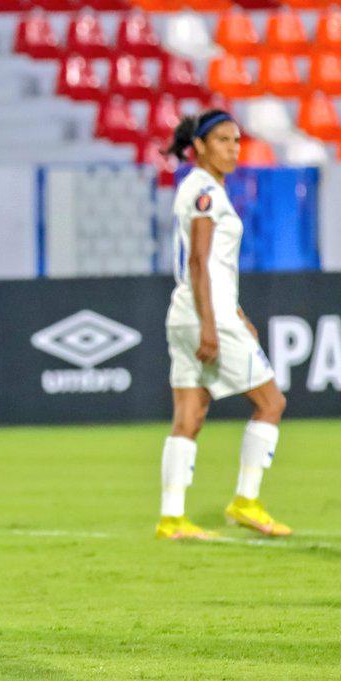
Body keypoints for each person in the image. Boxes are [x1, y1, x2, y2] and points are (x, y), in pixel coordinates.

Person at [156, 109, 290, 541]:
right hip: (203, 312)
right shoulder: (205, 193)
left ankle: (172, 517)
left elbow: (211, 266)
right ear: (199, 146)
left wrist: (235, 314)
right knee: (271, 403)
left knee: (189, 415)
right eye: (223, 141)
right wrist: (213, 324)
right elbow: (198, 260)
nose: (233, 149)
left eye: (236, 141)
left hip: (189, 310)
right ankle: (246, 500)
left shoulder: (201, 188)